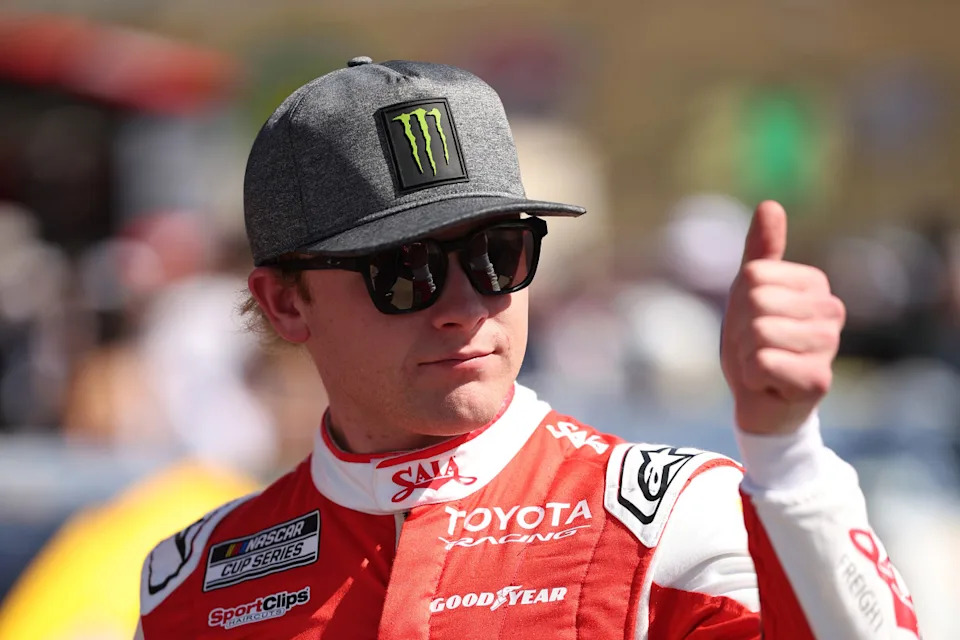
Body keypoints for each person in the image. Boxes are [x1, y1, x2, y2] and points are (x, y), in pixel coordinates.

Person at [136, 57, 921, 639]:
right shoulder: (188, 587)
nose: (465, 305)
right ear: (285, 301)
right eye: (403, 271)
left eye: (499, 252)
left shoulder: (672, 520)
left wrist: (788, 459)